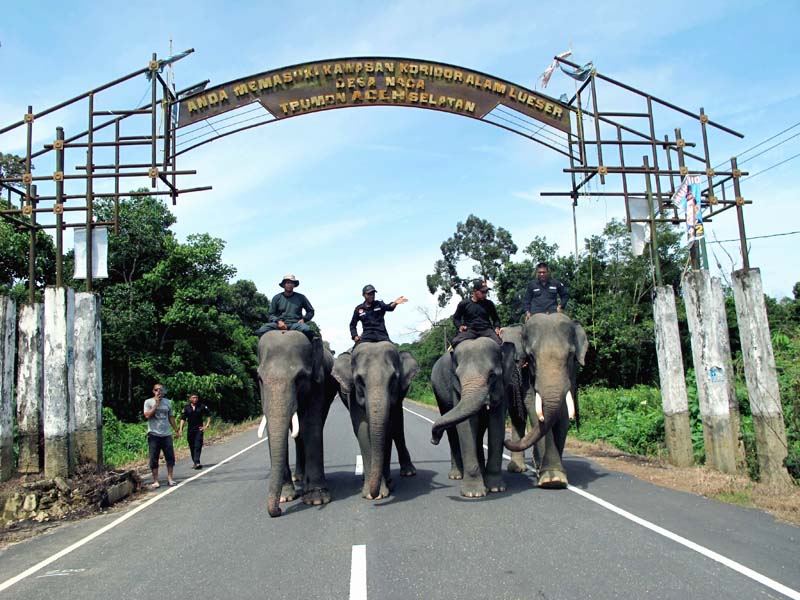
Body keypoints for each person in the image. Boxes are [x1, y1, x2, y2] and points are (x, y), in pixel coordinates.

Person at [256, 274, 316, 340]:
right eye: (287, 283)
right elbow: (271, 314)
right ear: (284, 284)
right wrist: (278, 321)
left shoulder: (301, 297)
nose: (289, 285)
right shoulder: (277, 298)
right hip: (279, 324)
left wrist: (304, 319)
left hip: (295, 324)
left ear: (294, 285)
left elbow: (311, 311)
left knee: (308, 331)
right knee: (261, 331)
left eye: (291, 283)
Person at [143, 383, 178, 488]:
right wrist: (156, 404)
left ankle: (170, 478)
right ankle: (155, 480)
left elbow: (170, 417)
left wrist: (176, 430)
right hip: (154, 434)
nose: (159, 391)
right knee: (154, 457)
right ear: (153, 391)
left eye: (161, 390)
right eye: (156, 390)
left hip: (166, 434)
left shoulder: (168, 402)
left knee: (170, 457)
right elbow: (147, 415)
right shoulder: (148, 402)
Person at [450, 279, 503, 349]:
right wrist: (460, 326)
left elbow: (496, 319)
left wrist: (497, 327)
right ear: (475, 291)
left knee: (500, 344)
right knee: (455, 341)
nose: (485, 294)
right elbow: (456, 318)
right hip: (470, 330)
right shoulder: (464, 304)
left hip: (486, 330)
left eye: (486, 291)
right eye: (483, 292)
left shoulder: (489, 304)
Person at [177, 393, 211, 470]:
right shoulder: (186, 407)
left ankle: (197, 462)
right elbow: (183, 419)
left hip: (199, 429)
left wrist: (206, 425)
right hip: (190, 429)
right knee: (192, 446)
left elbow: (208, 415)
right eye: (193, 397)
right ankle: (195, 462)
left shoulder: (202, 406)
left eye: (196, 397)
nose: (195, 399)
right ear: (190, 399)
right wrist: (180, 430)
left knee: (198, 445)